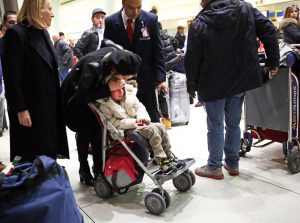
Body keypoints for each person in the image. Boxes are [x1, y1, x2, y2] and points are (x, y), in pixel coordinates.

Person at [185, 0, 279, 179]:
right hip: (240, 78)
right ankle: (233, 163)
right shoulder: (246, 9)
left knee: (215, 125)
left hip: (212, 82)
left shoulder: (200, 22)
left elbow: (192, 57)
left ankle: (214, 166)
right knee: (233, 123)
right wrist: (273, 60)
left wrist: (192, 85)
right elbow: (268, 28)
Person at [61, 46, 143, 186]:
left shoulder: (116, 54)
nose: (124, 80)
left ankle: (99, 168)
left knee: (99, 132)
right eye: (123, 77)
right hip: (74, 99)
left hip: (94, 97)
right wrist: (107, 88)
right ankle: (84, 168)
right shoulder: (92, 68)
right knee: (85, 131)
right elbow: (81, 97)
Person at [2, 0, 69, 163]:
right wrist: (20, 108)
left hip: (49, 107)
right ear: (37, 10)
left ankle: (49, 183)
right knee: (32, 155)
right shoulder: (16, 34)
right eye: (49, 9)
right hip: (30, 110)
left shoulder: (44, 34)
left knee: (49, 150)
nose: (52, 14)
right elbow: (12, 77)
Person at [95, 79, 183, 173]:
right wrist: (134, 122)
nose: (120, 92)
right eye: (116, 90)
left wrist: (142, 118)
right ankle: (161, 160)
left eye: (121, 89)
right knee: (151, 130)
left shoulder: (129, 96)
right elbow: (113, 123)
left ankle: (169, 155)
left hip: (138, 123)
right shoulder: (105, 105)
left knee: (160, 126)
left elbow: (140, 107)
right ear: (109, 92)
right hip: (124, 129)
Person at [104, 0, 167, 123]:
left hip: (146, 80)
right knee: (129, 121)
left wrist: (162, 79)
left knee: (151, 119)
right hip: (123, 82)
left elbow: (158, 50)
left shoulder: (151, 19)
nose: (136, 11)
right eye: (131, 8)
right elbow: (106, 46)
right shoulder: (111, 21)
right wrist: (121, 50)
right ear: (123, 4)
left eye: (139, 7)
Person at [279, 4, 300, 76]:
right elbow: (298, 37)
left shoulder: (295, 24)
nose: (294, 13)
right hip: (294, 52)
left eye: (296, 11)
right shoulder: (289, 24)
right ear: (288, 13)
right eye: (292, 12)